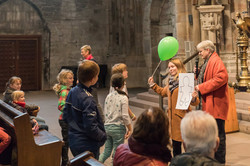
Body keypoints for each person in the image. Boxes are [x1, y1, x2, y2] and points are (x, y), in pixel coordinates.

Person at [148, 58, 199, 157]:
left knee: (188, 147)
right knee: (176, 149)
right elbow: (163, 92)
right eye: (169, 67)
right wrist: (153, 85)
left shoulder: (185, 82)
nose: (170, 69)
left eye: (173, 66)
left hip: (183, 119)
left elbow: (195, 102)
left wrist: (193, 98)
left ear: (178, 67)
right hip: (173, 120)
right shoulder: (171, 83)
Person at [63, 60, 107, 159]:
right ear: (93, 79)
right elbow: (91, 127)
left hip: (74, 140)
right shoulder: (88, 99)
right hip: (87, 144)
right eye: (97, 75)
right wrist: (103, 136)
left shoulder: (72, 91)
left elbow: (66, 115)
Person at [194, 40, 229, 164]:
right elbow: (205, 78)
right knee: (211, 134)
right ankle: (212, 159)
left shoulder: (216, 61)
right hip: (209, 103)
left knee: (219, 135)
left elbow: (221, 77)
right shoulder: (208, 61)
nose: (199, 54)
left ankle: (220, 161)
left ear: (208, 50)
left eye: (201, 51)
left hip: (216, 105)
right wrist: (197, 75)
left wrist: (201, 87)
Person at [99, 73, 132, 163]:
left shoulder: (108, 96)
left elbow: (106, 111)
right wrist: (129, 128)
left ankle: (95, 164)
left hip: (107, 127)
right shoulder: (124, 97)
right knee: (117, 154)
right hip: (118, 128)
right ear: (123, 84)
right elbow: (125, 116)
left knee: (106, 152)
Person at [53, 69, 74, 166]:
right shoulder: (65, 91)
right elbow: (61, 106)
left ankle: (65, 161)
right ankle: (64, 161)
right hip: (65, 120)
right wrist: (72, 109)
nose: (72, 80)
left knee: (67, 140)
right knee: (66, 141)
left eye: (72, 78)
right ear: (64, 80)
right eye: (70, 78)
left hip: (66, 119)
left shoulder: (68, 90)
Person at [80, 45, 104, 122]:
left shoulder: (92, 61)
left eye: (82, 52)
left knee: (95, 102)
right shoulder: (86, 61)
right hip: (87, 85)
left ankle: (102, 119)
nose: (81, 53)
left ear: (87, 52)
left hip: (92, 85)